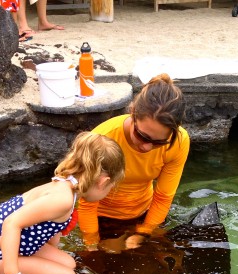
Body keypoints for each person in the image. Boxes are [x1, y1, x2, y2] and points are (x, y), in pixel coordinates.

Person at [0, 132, 125, 274]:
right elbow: (11, 223)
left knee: (69, 263)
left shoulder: (63, 184)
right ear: (103, 181)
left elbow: (46, 230)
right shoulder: (62, 199)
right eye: (111, 188)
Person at [78, 73, 190, 251]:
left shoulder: (178, 142)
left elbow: (163, 197)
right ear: (132, 113)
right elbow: (87, 203)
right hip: (103, 218)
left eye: (158, 142)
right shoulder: (103, 138)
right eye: (142, 136)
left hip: (146, 215)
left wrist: (144, 232)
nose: (147, 147)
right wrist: (91, 244)